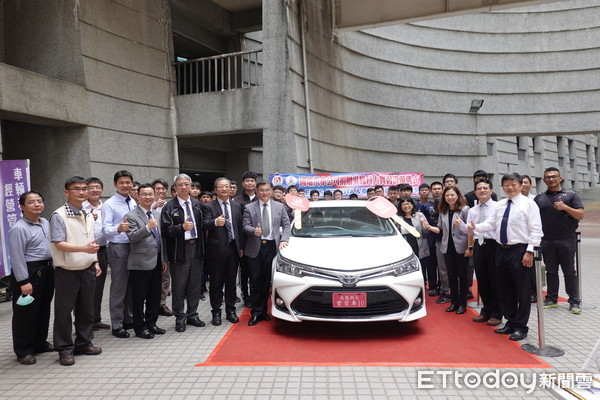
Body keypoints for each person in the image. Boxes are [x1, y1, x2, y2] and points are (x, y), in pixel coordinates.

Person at [470, 172, 543, 341]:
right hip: (501, 250)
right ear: (502, 187)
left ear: (520, 185)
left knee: (522, 290)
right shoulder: (500, 205)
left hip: (520, 250)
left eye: (513, 184)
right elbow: (491, 224)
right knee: (503, 288)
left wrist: (530, 251)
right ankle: (510, 321)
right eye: (506, 184)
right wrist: (476, 227)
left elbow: (536, 229)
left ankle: (521, 326)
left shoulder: (529, 204)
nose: (510, 187)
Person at [50, 177, 102, 366]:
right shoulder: (59, 215)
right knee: (64, 312)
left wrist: (94, 261)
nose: (81, 192)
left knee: (86, 310)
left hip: (87, 267)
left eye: (84, 189)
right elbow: (58, 243)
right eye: (76, 189)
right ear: (66, 192)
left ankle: (84, 343)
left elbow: (91, 239)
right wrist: (83, 249)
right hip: (67, 270)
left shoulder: (86, 212)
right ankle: (64, 349)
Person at [8, 191, 54, 365]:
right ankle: (23, 350)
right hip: (29, 272)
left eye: (40, 201)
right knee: (25, 314)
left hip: (47, 269)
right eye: (32, 202)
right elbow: (17, 257)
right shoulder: (18, 228)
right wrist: (23, 281)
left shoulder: (45, 222)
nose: (37, 205)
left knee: (43, 309)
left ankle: (39, 343)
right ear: (22, 207)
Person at [535, 167, 584, 314]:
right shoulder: (540, 198)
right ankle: (551, 298)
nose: (551, 179)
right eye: (548, 177)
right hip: (547, 240)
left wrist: (565, 207)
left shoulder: (571, 195)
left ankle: (574, 301)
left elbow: (580, 215)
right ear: (544, 180)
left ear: (560, 178)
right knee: (551, 271)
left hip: (566, 240)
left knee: (569, 271)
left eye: (554, 176)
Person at [161, 173, 206, 332]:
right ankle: (180, 318)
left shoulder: (197, 204)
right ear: (175, 187)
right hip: (179, 251)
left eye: (187, 184)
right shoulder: (169, 206)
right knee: (179, 287)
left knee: (195, 285)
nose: (184, 187)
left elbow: (205, 224)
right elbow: (165, 230)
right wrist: (181, 228)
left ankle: (192, 315)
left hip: (197, 249)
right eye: (180, 184)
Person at [242, 182, 291, 326]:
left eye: (267, 190)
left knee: (267, 281)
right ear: (257, 192)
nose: (264, 193)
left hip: (272, 247)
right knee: (255, 280)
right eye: (261, 190)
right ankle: (256, 312)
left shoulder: (279, 207)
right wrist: (253, 231)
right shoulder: (249, 208)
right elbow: (244, 226)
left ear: (271, 191)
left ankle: (264, 310)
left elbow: (286, 225)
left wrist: (284, 240)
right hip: (255, 248)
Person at [125, 184, 167, 339]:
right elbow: (133, 237)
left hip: (156, 260)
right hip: (140, 263)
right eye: (145, 194)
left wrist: (163, 259)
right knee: (138, 297)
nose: (148, 197)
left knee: (154, 295)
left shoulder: (156, 213)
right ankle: (139, 327)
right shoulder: (131, 215)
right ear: (138, 196)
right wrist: (148, 227)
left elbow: (161, 239)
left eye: (151, 194)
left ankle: (152, 323)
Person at [202, 178, 245, 326]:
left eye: (227, 186)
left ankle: (231, 310)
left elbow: (239, 228)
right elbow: (204, 224)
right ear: (215, 189)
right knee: (216, 283)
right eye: (221, 187)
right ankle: (216, 312)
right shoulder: (208, 206)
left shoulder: (236, 206)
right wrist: (215, 222)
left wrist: (241, 247)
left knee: (231, 282)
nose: (224, 189)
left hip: (233, 248)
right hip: (216, 251)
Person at [422, 186, 470, 314]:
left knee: (462, 275)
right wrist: (429, 227)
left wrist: (469, 246)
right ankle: (454, 302)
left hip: (461, 247)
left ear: (458, 195)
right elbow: (440, 229)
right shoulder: (443, 211)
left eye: (452, 195)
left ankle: (462, 304)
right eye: (447, 195)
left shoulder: (464, 210)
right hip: (447, 247)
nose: (450, 197)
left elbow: (469, 230)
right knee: (451, 275)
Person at [102, 170, 136, 338]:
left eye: (128, 182)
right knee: (119, 286)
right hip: (118, 247)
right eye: (121, 182)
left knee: (131, 285)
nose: (125, 185)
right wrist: (118, 228)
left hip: (134, 247)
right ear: (115, 185)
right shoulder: (109, 204)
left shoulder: (133, 202)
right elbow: (105, 229)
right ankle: (116, 324)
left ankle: (128, 319)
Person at [464, 179, 502, 326]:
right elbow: (470, 230)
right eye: (479, 189)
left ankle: (497, 313)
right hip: (479, 246)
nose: (482, 191)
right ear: (475, 193)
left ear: (491, 190)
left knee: (495, 280)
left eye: (485, 188)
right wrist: (470, 247)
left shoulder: (498, 207)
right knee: (482, 279)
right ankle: (486, 310)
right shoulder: (472, 210)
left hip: (494, 246)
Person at [82, 177, 110, 331]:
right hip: (86, 251)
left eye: (98, 187)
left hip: (103, 249)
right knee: (87, 288)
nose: (95, 190)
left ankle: (96, 319)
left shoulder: (105, 207)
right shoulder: (81, 208)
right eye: (91, 187)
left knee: (99, 287)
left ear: (102, 190)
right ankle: (84, 322)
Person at [151, 178, 173, 317]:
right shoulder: (146, 205)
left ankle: (161, 303)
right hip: (150, 249)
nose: (161, 191)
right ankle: (151, 305)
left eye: (163, 189)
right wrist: (153, 206)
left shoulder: (169, 206)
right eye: (158, 189)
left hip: (165, 246)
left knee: (165, 278)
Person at [397, 197, 429, 285]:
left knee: (421, 265)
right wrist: (397, 226)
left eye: (408, 204)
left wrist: (425, 226)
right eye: (403, 204)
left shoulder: (420, 215)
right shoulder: (398, 218)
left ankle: (423, 282)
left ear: (412, 205)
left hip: (419, 245)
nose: (406, 206)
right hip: (406, 245)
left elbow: (426, 232)